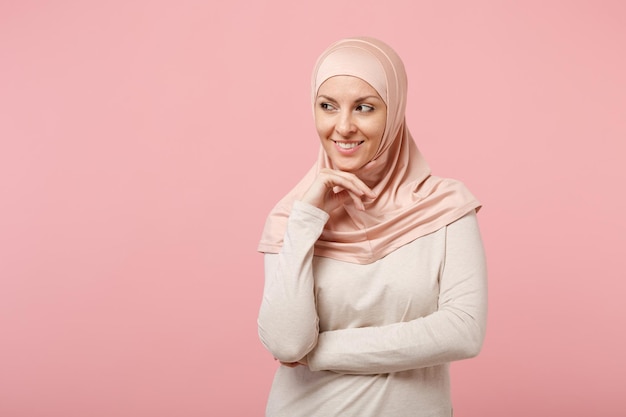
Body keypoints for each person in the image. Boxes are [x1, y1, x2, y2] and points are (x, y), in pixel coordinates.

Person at [257, 37, 487, 417]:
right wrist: (306, 221)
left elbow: (463, 331)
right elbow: (286, 344)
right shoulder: (292, 216)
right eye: (327, 106)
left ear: (394, 110)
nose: (343, 126)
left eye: (364, 108)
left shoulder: (443, 205)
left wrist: (320, 351)